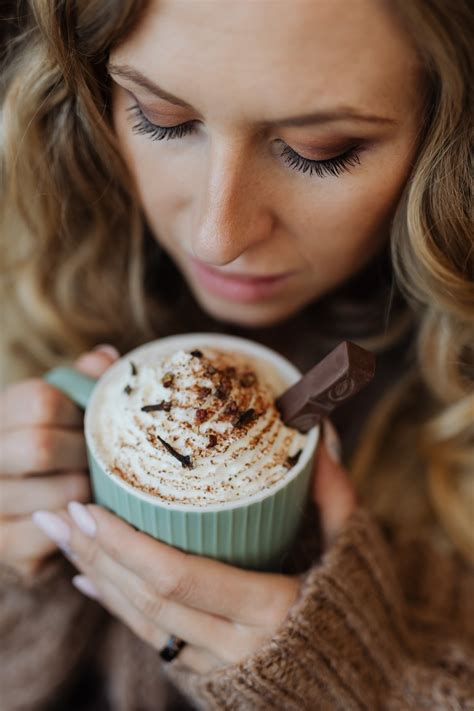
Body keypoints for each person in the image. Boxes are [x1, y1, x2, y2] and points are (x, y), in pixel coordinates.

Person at [1, 0, 472, 709]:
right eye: (162, 118)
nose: (219, 237)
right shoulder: (25, 271)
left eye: (322, 150)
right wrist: (20, 573)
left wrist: (370, 682)